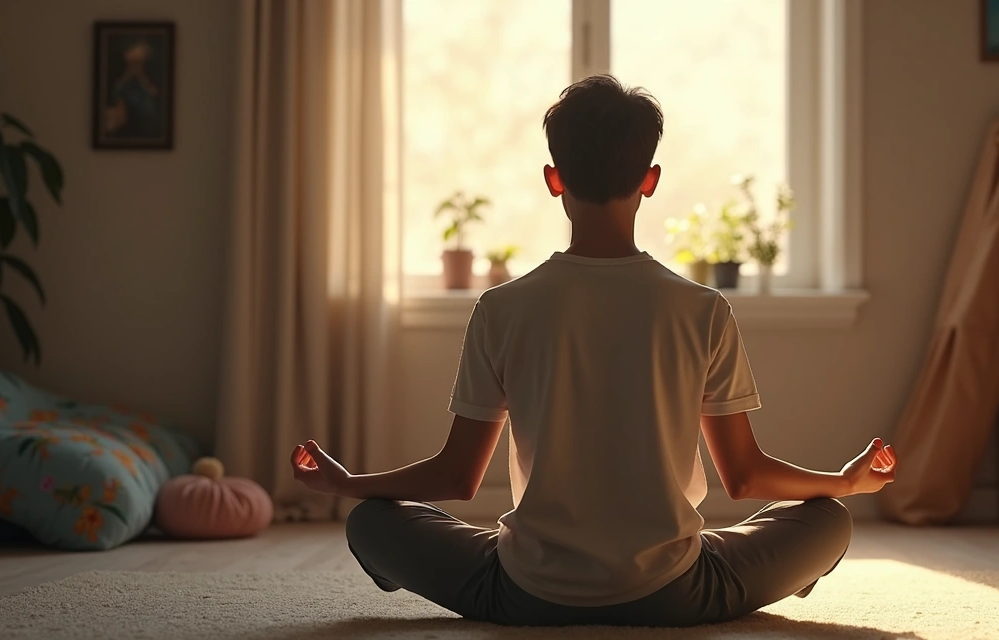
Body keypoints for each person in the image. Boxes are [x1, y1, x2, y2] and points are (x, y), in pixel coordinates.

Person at [289, 74, 898, 627]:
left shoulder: (501, 308)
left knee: (371, 520)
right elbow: (743, 478)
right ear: (650, 181)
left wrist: (350, 484)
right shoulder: (703, 309)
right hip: (677, 592)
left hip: (525, 592)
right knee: (828, 520)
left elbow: (457, 476)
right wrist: (840, 482)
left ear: (554, 180)